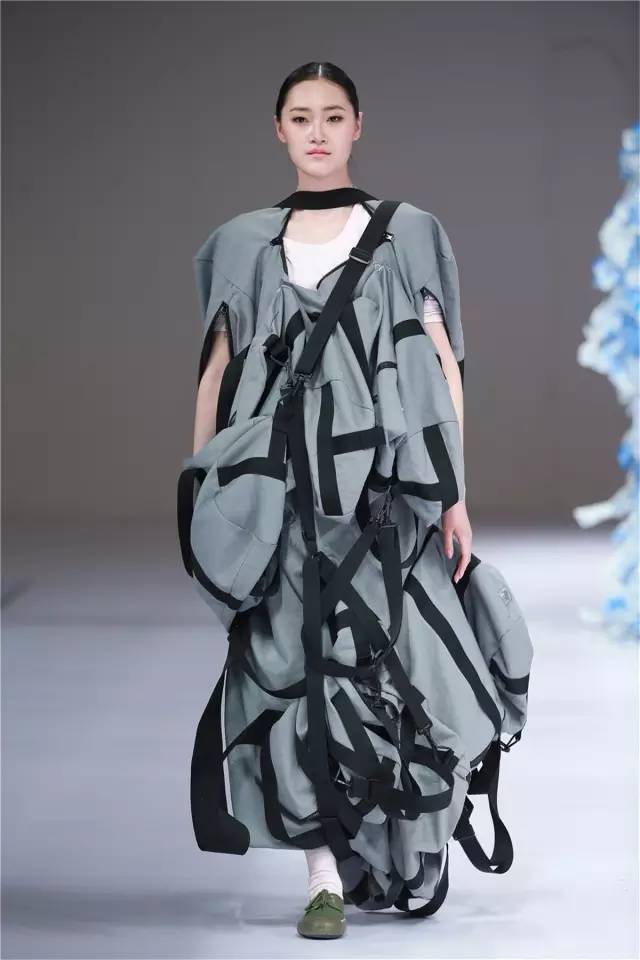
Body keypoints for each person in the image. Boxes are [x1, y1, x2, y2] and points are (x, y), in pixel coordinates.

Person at [190, 61, 473, 939]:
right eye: (301, 116)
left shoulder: (408, 232)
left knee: (392, 669)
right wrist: (204, 490)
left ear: (358, 126)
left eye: (334, 115)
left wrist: (456, 495)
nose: (318, 132)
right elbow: (217, 374)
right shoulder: (240, 243)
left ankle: (398, 844)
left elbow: (440, 367)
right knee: (291, 672)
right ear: (278, 129)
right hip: (277, 503)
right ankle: (322, 878)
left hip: (383, 499)